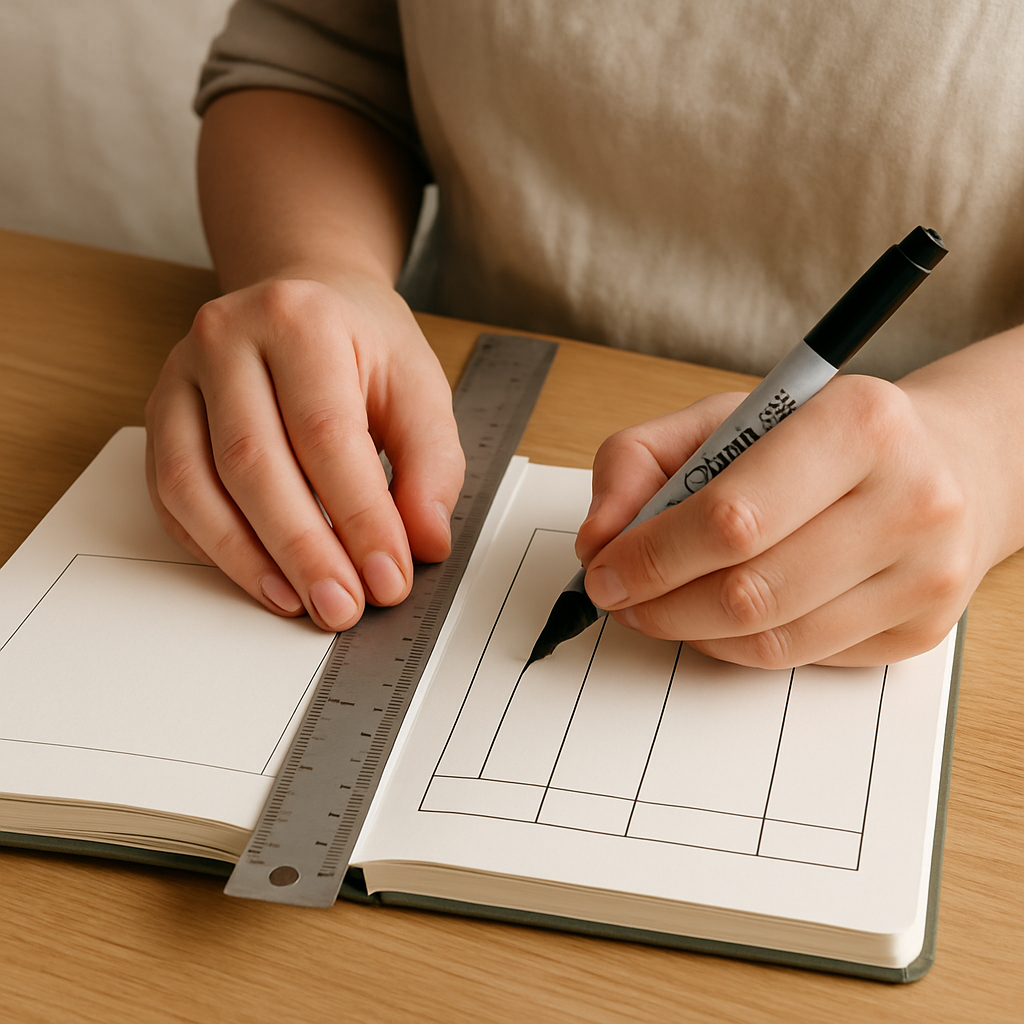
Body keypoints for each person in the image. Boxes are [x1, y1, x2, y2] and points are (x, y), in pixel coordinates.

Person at [145, 1, 1024, 667]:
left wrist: (983, 454)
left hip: (939, 505)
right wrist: (315, 269)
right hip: (448, 381)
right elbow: (317, 58)